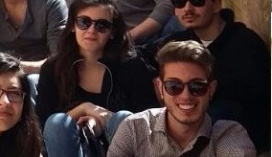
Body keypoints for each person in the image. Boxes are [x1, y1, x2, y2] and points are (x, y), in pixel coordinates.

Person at [37, 0, 158, 157]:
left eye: (102, 25)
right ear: (73, 25)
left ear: (112, 32)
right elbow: (42, 126)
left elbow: (150, 120)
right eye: (84, 22)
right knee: (57, 122)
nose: (92, 30)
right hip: (72, 148)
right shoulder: (53, 68)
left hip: (120, 148)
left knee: (123, 118)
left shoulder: (131, 66)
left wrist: (107, 119)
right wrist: (85, 109)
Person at [163, 0, 270, 151]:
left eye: (197, 1)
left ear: (217, 4)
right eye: (179, 2)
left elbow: (258, 107)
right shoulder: (177, 43)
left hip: (239, 139)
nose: (187, 9)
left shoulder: (246, 44)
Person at [108, 40, 257, 157]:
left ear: (211, 89)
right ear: (160, 88)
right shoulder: (134, 128)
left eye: (197, 86)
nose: (186, 95)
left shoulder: (229, 135)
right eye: (174, 86)